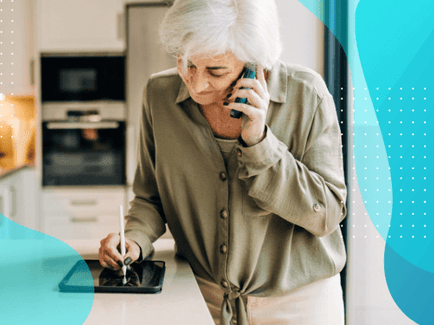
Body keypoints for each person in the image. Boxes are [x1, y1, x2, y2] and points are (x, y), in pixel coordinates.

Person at [98, 0, 347, 324]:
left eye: (216, 71)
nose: (197, 83)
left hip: (299, 302)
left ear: (255, 65)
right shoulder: (158, 96)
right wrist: (132, 238)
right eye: (187, 63)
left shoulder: (306, 95)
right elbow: (151, 198)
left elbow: (325, 215)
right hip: (201, 295)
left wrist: (259, 144)